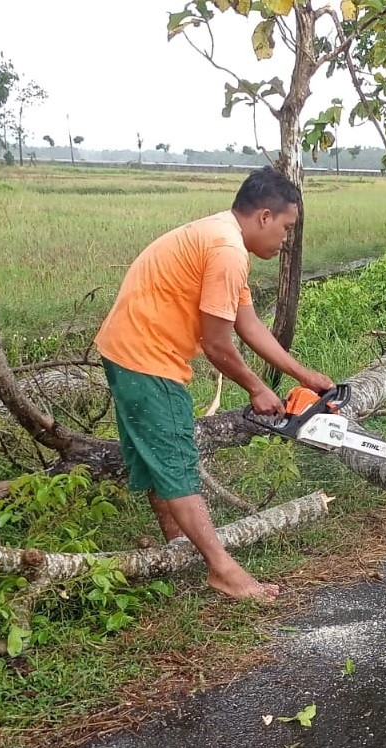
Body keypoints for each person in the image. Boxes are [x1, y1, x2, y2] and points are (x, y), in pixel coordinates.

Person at [92, 167, 337, 603]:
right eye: (286, 228)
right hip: (147, 360)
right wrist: (258, 389)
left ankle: (176, 548)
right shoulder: (226, 250)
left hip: (125, 351)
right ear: (264, 216)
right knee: (179, 468)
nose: (286, 241)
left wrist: (305, 376)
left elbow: (248, 324)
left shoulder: (222, 237)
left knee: (156, 463)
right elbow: (216, 343)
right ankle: (223, 571)